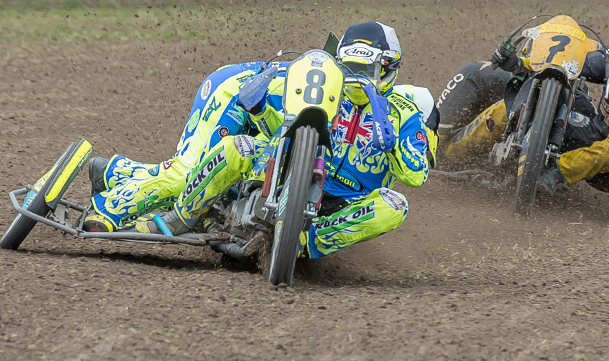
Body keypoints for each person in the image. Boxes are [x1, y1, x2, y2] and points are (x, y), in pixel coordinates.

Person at [84, 21, 436, 261]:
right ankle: (175, 216)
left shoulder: (404, 113)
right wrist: (257, 106)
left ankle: (300, 244)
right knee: (211, 158)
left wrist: (392, 144)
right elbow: (275, 125)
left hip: (340, 207)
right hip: (280, 168)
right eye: (352, 70)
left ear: (389, 71)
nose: (358, 80)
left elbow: (416, 176)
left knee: (395, 204)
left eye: (369, 72)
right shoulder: (322, 88)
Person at [437, 13, 609, 194]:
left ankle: (552, 176)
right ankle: (450, 154)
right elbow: (572, 65)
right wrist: (521, 64)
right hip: (590, 130)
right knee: (523, 102)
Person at [82, 61, 289, 233]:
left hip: (258, 95)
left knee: (214, 181)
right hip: (236, 91)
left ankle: (114, 172)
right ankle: (108, 208)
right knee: (191, 173)